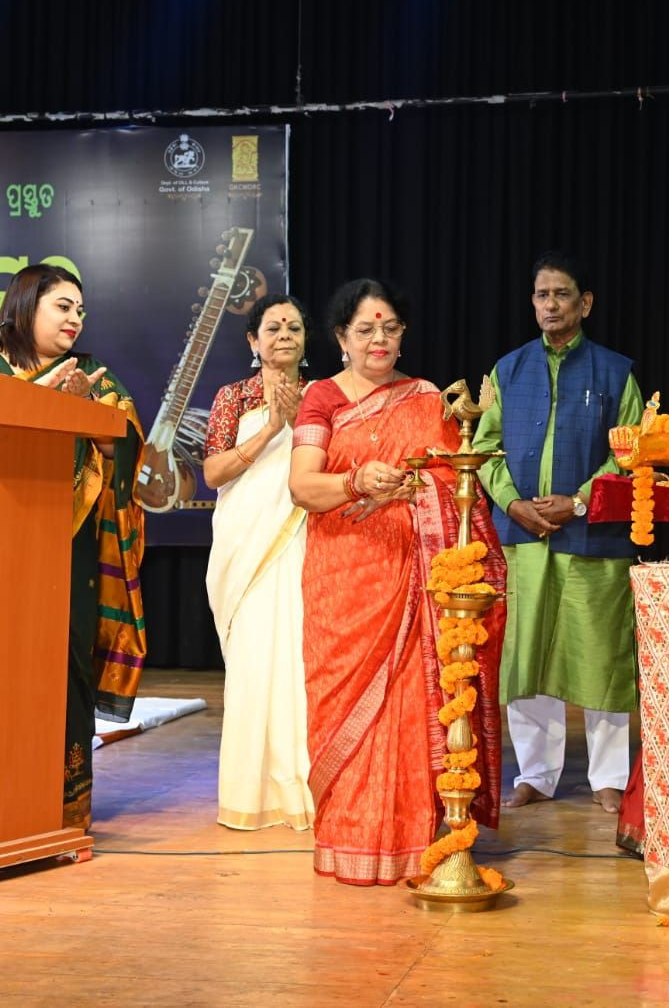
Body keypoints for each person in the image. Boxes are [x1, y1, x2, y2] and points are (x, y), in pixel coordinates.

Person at [288, 278, 506, 886]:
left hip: (415, 577)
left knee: (416, 704)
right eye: (365, 329)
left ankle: (415, 843)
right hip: (344, 579)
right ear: (342, 337)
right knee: (341, 704)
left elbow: (459, 489)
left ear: (403, 333)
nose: (378, 339)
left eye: (389, 328)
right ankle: (350, 838)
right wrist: (356, 481)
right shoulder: (321, 398)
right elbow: (302, 486)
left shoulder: (428, 399)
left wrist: (420, 486)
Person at [0, 263, 145, 830]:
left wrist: (82, 413)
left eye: (81, 310)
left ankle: (62, 804)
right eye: (63, 306)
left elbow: (129, 449)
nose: (76, 318)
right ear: (26, 304)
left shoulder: (91, 377)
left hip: (65, 547)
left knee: (63, 665)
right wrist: (39, 397)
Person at [473, 252, 642, 814]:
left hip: (594, 538)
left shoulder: (615, 372)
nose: (551, 304)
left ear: (584, 303)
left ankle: (608, 778)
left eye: (562, 294)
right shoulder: (507, 370)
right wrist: (512, 503)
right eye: (542, 295)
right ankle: (536, 774)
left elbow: (629, 454)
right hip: (522, 537)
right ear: (533, 303)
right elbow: (484, 447)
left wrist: (578, 501)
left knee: (601, 654)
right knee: (526, 657)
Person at [203, 294, 313, 832]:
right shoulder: (233, 398)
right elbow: (213, 473)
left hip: (304, 542)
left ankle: (304, 790)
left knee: (299, 664)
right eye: (273, 327)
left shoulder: (324, 397)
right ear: (253, 340)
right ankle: (249, 795)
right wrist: (272, 427)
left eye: (294, 327)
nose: (284, 335)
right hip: (247, 551)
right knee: (252, 666)